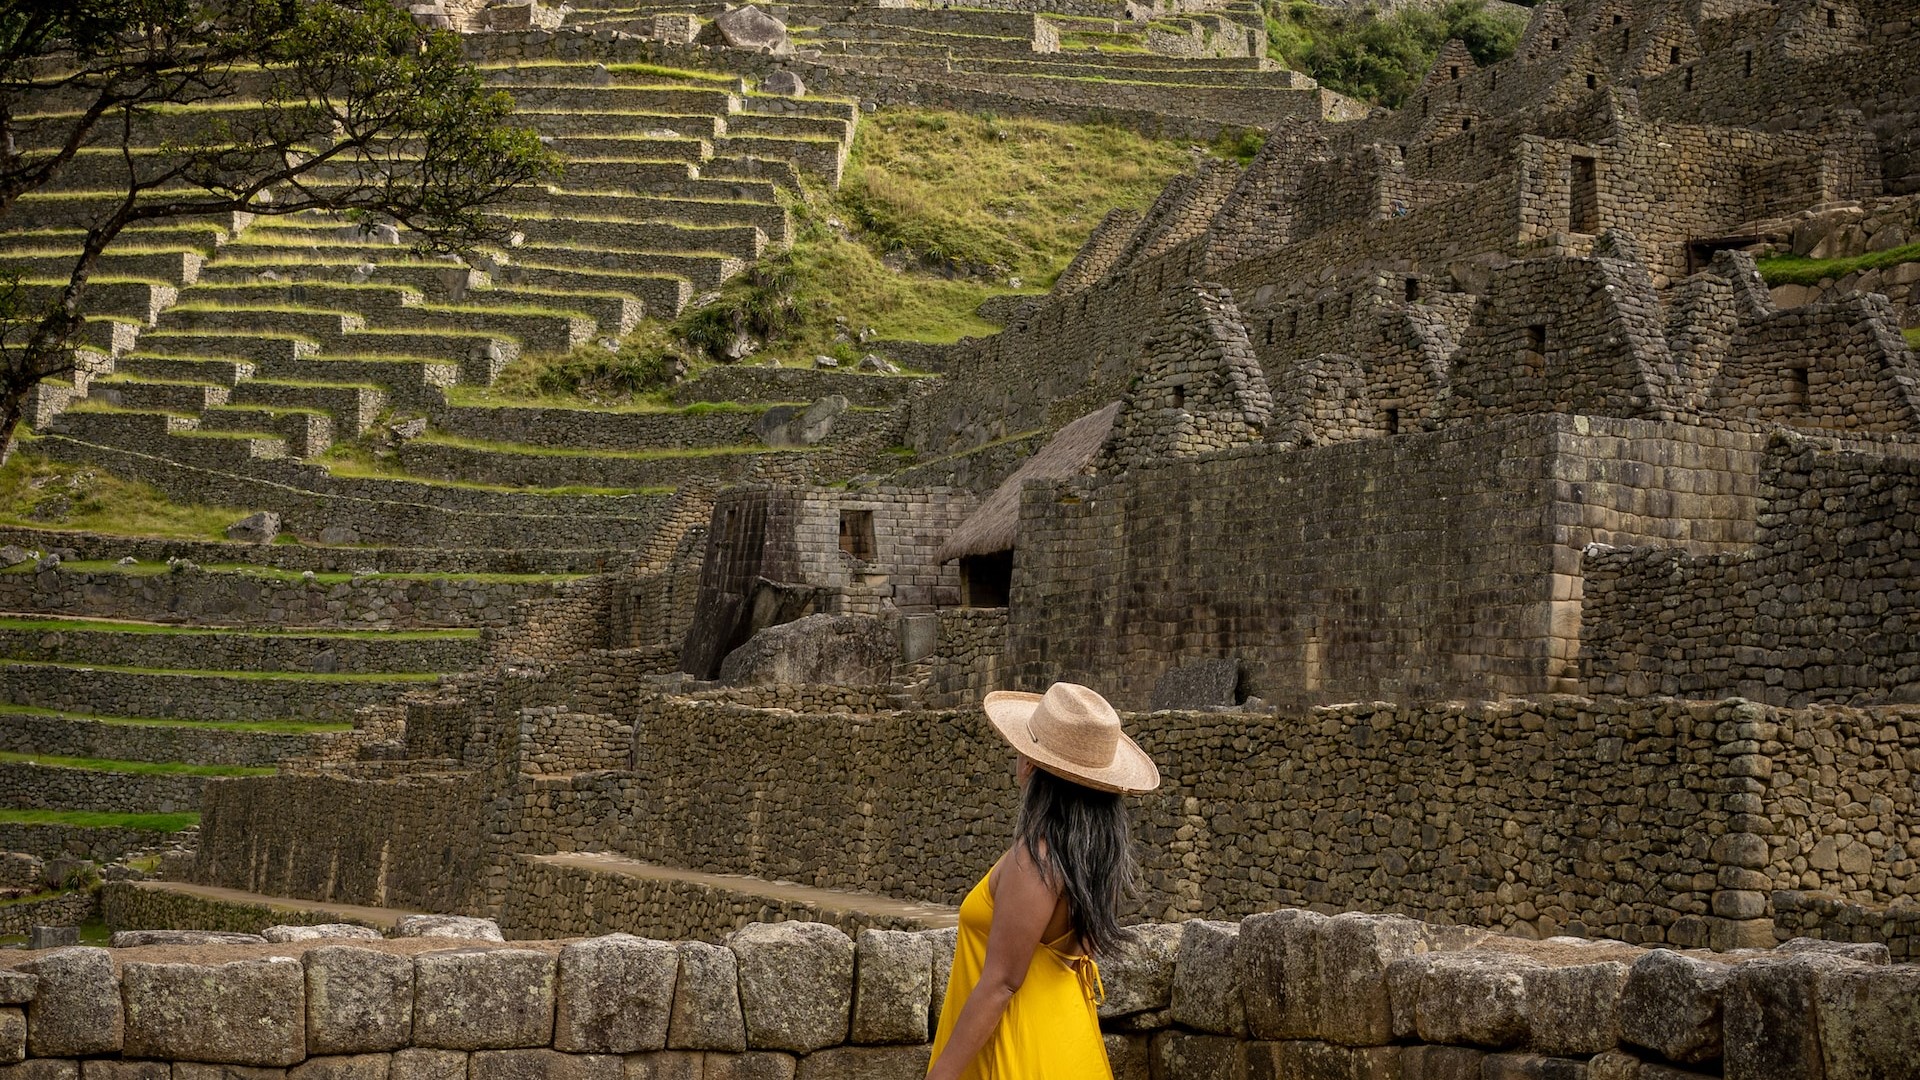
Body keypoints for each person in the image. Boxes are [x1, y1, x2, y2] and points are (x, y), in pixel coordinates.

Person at [926, 682, 1162, 1080]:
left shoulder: (1036, 859)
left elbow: (1001, 983)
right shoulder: (1092, 858)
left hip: (1017, 1050)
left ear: (1032, 765)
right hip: (1069, 1043)